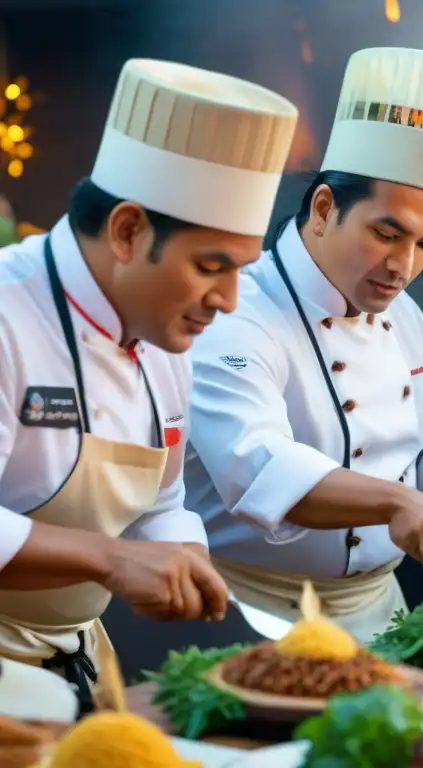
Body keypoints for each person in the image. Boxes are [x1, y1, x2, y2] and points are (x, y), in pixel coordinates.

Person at [184, 48, 423, 644]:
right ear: (324, 208)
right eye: (386, 234)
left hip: (381, 610)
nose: (403, 266)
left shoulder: (402, 313)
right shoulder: (238, 315)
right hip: (253, 614)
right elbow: (259, 465)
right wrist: (397, 504)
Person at [0, 59, 298, 706]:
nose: (228, 299)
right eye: (210, 266)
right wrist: (110, 560)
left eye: (242, 269)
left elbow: (162, 502)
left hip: (78, 659)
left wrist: (184, 553)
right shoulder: (7, 315)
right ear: (129, 231)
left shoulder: (165, 333)